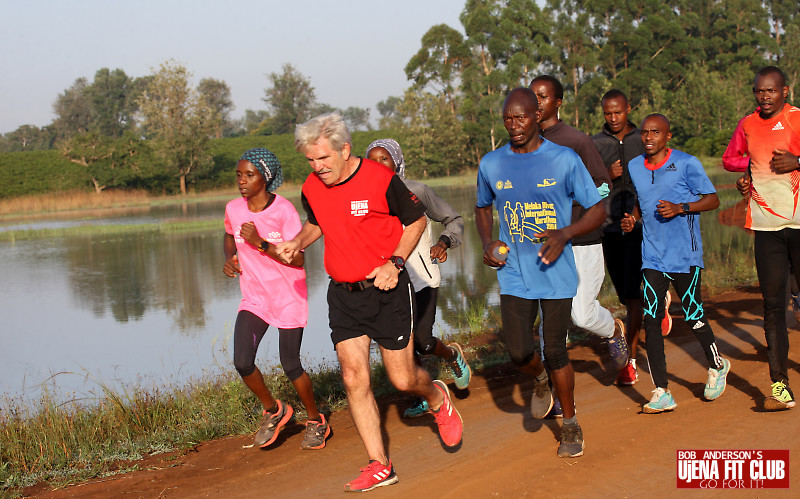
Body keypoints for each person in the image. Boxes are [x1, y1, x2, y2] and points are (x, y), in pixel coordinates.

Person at [277, 114, 463, 492]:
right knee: (353, 377)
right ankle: (380, 464)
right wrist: (297, 242)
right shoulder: (312, 187)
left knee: (401, 377)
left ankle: (435, 396)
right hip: (343, 295)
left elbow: (414, 222)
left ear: (345, 150)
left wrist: (395, 263)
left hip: (387, 293)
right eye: (311, 160)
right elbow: (318, 222)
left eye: (324, 158)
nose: (318, 167)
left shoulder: (381, 180)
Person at [476, 87, 605, 458]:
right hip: (514, 271)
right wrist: (487, 243)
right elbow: (483, 207)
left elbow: (596, 209)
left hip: (556, 271)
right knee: (518, 353)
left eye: (520, 117)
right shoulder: (492, 163)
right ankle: (539, 378)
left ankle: (570, 424)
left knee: (555, 350)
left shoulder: (563, 159)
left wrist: (566, 233)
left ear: (536, 116)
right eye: (507, 118)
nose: (513, 125)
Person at [620, 114, 731, 413]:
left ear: (668, 136)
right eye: (644, 133)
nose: (648, 137)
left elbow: (712, 200)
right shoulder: (634, 167)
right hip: (653, 256)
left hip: (685, 254)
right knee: (651, 321)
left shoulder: (686, 163)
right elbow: (642, 200)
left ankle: (717, 366)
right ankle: (661, 391)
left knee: (693, 314)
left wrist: (681, 207)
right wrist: (633, 219)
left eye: (655, 132)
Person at [222, 147, 330, 450]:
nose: (242, 180)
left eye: (249, 175)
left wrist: (260, 244)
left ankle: (315, 419)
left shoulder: (283, 210)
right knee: (243, 361)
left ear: (265, 178)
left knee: (290, 363)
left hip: (288, 296)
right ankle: (274, 410)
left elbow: (297, 261)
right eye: (239, 175)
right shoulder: (233, 208)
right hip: (254, 296)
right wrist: (230, 258)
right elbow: (229, 235)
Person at [528, 76, 628, 394]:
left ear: (558, 102)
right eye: (533, 97)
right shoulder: (524, 142)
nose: (537, 102)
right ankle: (554, 391)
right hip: (545, 244)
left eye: (543, 96)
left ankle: (613, 330)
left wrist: (566, 201)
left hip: (582, 240)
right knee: (549, 319)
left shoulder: (575, 140)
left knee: (581, 315)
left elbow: (602, 185)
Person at [365, 139, 470, 418]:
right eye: (371, 160)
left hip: (422, 277)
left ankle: (452, 357)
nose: (378, 165)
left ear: (396, 161)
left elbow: (453, 218)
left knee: (423, 341)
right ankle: (425, 394)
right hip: (390, 283)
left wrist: (444, 243)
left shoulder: (418, 191)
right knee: (402, 342)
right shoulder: (363, 199)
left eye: (384, 159)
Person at [734, 66, 800, 410]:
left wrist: (798, 160)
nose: (764, 96)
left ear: (785, 91)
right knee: (773, 305)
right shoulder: (747, 124)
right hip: (766, 227)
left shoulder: (797, 119)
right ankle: (780, 385)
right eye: (759, 91)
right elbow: (746, 163)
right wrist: (745, 178)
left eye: (771, 91)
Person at [591, 89, 648, 386]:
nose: (613, 118)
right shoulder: (595, 144)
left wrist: (639, 216)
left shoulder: (644, 139)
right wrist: (606, 175)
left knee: (634, 297)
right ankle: (655, 302)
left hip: (644, 226)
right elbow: (585, 185)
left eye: (618, 112)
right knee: (626, 294)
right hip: (610, 229)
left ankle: (632, 360)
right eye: (608, 113)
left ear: (628, 109)